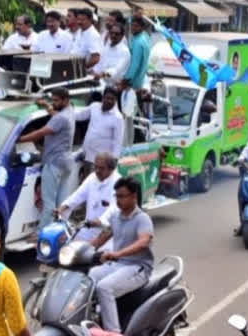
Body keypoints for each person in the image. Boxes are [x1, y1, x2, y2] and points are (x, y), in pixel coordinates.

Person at [89, 177, 154, 333]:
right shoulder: (116, 217)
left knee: (104, 287)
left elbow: (143, 242)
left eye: (122, 196)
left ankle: (113, 332)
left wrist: (117, 253)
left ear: (133, 196)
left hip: (137, 267)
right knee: (88, 278)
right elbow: (101, 238)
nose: (118, 200)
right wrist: (77, 250)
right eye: (116, 196)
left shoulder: (142, 219)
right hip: (117, 265)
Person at [17, 87, 75, 228]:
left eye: (56, 100)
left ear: (65, 100)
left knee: (48, 201)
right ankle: (60, 229)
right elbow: (55, 115)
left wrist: (18, 139)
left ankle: (43, 234)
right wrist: (47, 106)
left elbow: (41, 133)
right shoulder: (69, 112)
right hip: (66, 163)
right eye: (52, 100)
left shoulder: (61, 117)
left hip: (54, 162)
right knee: (61, 202)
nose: (53, 103)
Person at [58, 151, 121, 246]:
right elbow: (77, 196)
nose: (97, 171)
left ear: (111, 169)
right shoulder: (92, 178)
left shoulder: (118, 182)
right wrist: (63, 207)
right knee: (69, 249)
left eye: (101, 168)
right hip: (87, 228)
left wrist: (101, 220)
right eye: (96, 167)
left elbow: (114, 207)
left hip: (107, 233)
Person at [75, 87, 124, 171]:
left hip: (101, 161)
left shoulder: (118, 117)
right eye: (107, 98)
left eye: (112, 99)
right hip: (87, 156)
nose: (109, 101)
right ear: (103, 97)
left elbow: (118, 141)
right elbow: (80, 115)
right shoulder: (94, 107)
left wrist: (114, 160)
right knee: (87, 181)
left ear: (116, 100)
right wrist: (66, 112)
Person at [121, 17, 151, 93]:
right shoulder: (145, 37)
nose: (133, 28)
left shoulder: (138, 42)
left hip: (133, 83)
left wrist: (126, 79)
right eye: (132, 25)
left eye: (136, 26)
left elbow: (135, 64)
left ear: (142, 27)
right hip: (140, 81)